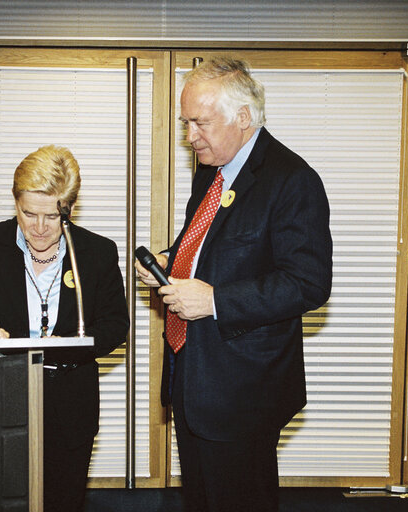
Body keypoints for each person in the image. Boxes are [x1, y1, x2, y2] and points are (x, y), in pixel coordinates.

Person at [136, 58, 332, 511]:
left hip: (244, 389)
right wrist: (170, 258)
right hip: (193, 375)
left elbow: (308, 282)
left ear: (243, 117)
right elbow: (207, 243)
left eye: (200, 123)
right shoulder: (212, 169)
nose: (190, 137)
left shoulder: (292, 180)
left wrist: (215, 300)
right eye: (186, 123)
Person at [0, 144, 129, 512]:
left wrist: (76, 343)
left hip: (70, 401)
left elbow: (115, 325)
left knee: (63, 500)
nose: (39, 228)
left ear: (68, 210)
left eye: (51, 217)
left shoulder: (97, 252)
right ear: (15, 203)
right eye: (29, 214)